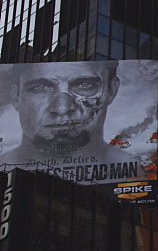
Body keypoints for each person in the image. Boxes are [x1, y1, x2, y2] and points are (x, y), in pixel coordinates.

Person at [3, 61, 135, 179]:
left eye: (85, 85)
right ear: (15, 96)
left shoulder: (140, 171)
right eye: (41, 87)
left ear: (111, 90)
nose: (62, 108)